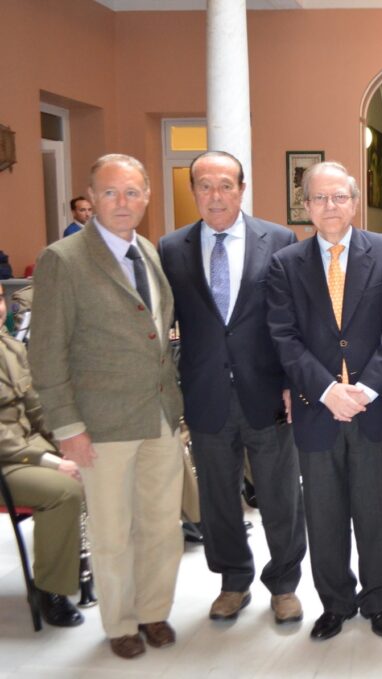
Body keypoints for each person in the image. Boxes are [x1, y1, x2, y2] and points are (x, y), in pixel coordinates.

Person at [28, 154, 184, 660]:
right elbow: (46, 352)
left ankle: (153, 611)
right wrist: (68, 427)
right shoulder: (63, 259)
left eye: (132, 192)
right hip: (100, 424)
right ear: (91, 198)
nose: (123, 202)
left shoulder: (148, 251)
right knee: (113, 532)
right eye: (111, 192)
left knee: (161, 525)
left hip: (159, 415)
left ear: (147, 197)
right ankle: (120, 622)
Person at [158, 151, 306, 625]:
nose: (215, 195)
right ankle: (233, 581)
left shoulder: (279, 240)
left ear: (242, 189)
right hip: (205, 394)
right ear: (193, 191)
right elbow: (162, 322)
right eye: (205, 186)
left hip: (267, 392)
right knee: (218, 498)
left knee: (280, 496)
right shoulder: (171, 248)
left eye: (226, 185)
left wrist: (292, 382)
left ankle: (284, 584)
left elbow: (292, 320)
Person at [266, 161, 382, 642]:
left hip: (375, 407)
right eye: (320, 198)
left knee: (376, 514)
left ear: (354, 202)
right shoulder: (286, 263)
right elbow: (284, 336)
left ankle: (378, 602)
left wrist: (364, 390)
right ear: (306, 205)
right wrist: (328, 391)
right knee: (324, 516)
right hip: (317, 409)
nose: (330, 206)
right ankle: (335, 603)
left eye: (339, 197)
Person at [0, 283, 85, 628]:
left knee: (93, 465)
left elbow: (36, 406)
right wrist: (50, 461)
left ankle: (81, 564)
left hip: (27, 447)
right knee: (63, 491)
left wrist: (68, 440)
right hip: (7, 460)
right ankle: (50, 590)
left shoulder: (11, 347)